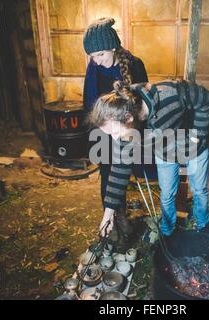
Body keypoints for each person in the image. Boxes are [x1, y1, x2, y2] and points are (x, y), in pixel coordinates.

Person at [87, 80, 209, 238]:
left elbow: (205, 98)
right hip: (165, 151)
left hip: (194, 146)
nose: (114, 139)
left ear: (128, 118)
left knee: (199, 190)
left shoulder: (170, 95)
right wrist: (108, 213)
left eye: (115, 133)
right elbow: (119, 169)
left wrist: (198, 137)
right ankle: (167, 229)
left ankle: (202, 224)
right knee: (167, 193)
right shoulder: (125, 125)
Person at [82, 17, 149, 241]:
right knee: (107, 172)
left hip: (127, 127)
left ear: (112, 46)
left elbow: (143, 104)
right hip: (103, 129)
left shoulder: (134, 64)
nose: (96, 61)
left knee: (124, 169)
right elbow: (89, 103)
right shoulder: (94, 68)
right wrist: (96, 134)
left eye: (100, 54)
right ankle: (115, 218)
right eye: (92, 56)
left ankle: (125, 215)